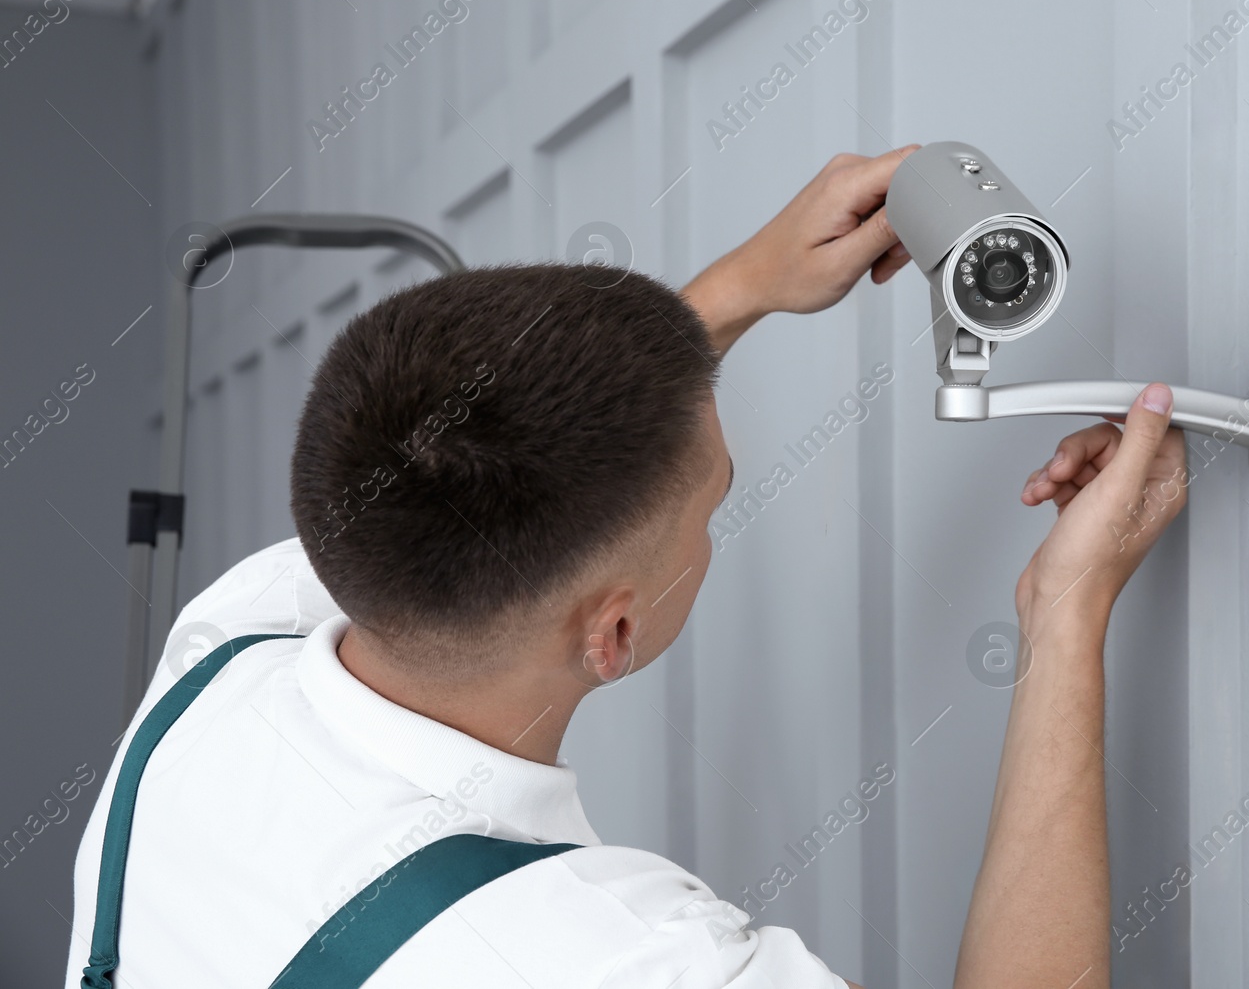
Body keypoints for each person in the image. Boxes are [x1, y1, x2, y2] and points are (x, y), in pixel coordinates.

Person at [65, 147, 1186, 988]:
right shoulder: (608, 957)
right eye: (714, 504)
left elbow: (489, 457)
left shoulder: (229, 650)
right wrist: (1064, 610)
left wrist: (743, 282)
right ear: (613, 633)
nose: (710, 523)